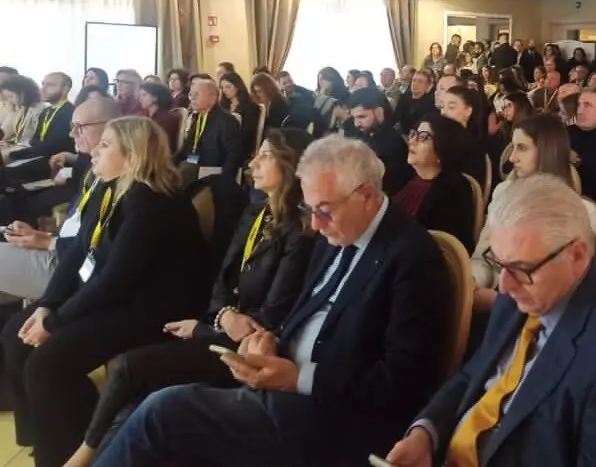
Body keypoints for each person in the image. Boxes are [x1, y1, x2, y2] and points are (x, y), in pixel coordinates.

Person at [93, 135, 451, 467]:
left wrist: (299, 378)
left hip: (337, 415)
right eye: (310, 208)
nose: (316, 224)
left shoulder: (412, 257)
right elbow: (305, 315)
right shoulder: (337, 232)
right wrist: (271, 340)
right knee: (144, 398)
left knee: (163, 412)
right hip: (285, 385)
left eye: (324, 209)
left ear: (368, 195)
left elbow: (402, 381)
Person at [385, 174, 596, 467]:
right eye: (500, 263)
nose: (504, 286)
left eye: (522, 269)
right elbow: (475, 375)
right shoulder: (525, 292)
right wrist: (426, 434)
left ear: (577, 256)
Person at [64, 129, 315, 467]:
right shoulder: (255, 213)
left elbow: (272, 315)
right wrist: (220, 315)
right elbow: (221, 281)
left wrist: (204, 328)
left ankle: (82, 457)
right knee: (134, 396)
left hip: (252, 348)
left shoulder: (302, 230)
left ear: (292, 165)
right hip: (223, 325)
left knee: (128, 369)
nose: (253, 163)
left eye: (266, 156)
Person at [1, 116, 206, 467]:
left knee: (47, 364)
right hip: (112, 296)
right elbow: (77, 253)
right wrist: (47, 306)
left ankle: (69, 453)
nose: (95, 150)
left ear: (133, 156)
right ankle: (48, 437)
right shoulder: (109, 186)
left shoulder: (152, 201)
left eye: (106, 144)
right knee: (15, 335)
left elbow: (117, 278)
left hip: (149, 310)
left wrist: (55, 322)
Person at [0, 96, 121, 301]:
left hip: (66, 268)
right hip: (59, 248)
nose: (72, 134)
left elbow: (99, 251)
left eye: (80, 127)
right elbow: (79, 226)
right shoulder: (93, 167)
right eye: (73, 127)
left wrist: (49, 242)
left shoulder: (120, 182)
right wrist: (42, 235)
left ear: (112, 128)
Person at [472, 113, 596, 310]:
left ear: (547, 152)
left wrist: (499, 303)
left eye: (522, 148)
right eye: (513, 147)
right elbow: (483, 257)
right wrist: (472, 281)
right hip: (495, 294)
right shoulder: (504, 192)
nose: (512, 157)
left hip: (537, 312)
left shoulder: (581, 212)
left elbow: (568, 292)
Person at [391, 115, 476, 253]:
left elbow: (446, 248)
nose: (412, 141)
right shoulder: (402, 176)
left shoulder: (455, 190)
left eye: (423, 137)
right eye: (414, 134)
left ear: (443, 147)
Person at [174, 79, 243, 180]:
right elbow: (185, 149)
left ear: (213, 98)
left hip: (211, 171)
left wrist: (224, 180)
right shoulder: (197, 117)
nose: (192, 98)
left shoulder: (227, 121)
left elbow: (233, 155)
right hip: (192, 166)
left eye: (197, 94)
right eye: (191, 94)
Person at [348, 87, 409, 194]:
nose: (356, 124)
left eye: (362, 117)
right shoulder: (366, 133)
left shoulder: (393, 143)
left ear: (379, 112)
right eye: (354, 118)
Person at [8, 72, 75, 161]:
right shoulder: (46, 111)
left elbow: (54, 146)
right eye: (43, 84)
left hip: (56, 160)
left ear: (65, 89)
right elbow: (35, 140)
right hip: (40, 155)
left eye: (50, 85)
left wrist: (14, 154)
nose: (42, 89)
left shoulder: (69, 112)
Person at [220, 72, 262, 160]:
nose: (224, 90)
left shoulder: (250, 107)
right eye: (222, 88)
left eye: (228, 87)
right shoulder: (222, 106)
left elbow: (248, 133)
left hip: (241, 146)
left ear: (237, 86)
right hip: (224, 145)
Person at [0, 74, 45, 147]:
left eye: (11, 96)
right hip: (22, 146)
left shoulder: (40, 110)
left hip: (32, 148)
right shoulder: (23, 109)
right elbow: (19, 136)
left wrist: (13, 145)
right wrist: (10, 143)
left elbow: (32, 138)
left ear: (23, 94)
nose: (9, 100)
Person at [137, 83, 182, 152]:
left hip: (160, 153)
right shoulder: (141, 115)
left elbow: (160, 141)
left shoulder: (168, 118)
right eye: (140, 95)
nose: (140, 98)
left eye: (144, 95)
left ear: (155, 97)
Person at [394, 70, 436, 134]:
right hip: (401, 133)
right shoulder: (404, 97)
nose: (415, 84)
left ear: (428, 86)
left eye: (420, 81)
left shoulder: (431, 102)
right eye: (414, 80)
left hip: (418, 135)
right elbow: (396, 117)